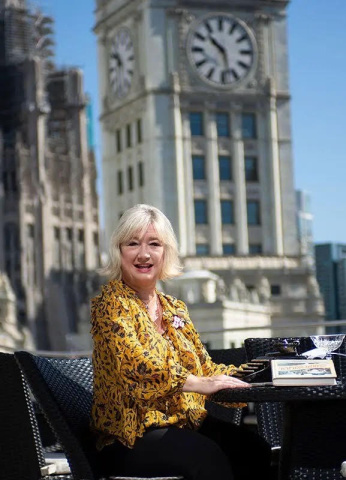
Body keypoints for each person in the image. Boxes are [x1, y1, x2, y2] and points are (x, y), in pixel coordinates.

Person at [90, 204, 273, 480]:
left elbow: (204, 366)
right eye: (133, 243)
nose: (144, 254)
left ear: (166, 253)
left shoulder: (175, 308)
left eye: (154, 244)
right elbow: (137, 367)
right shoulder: (110, 305)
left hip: (181, 425)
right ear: (119, 251)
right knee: (207, 458)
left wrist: (253, 376)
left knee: (253, 449)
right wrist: (198, 384)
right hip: (130, 435)